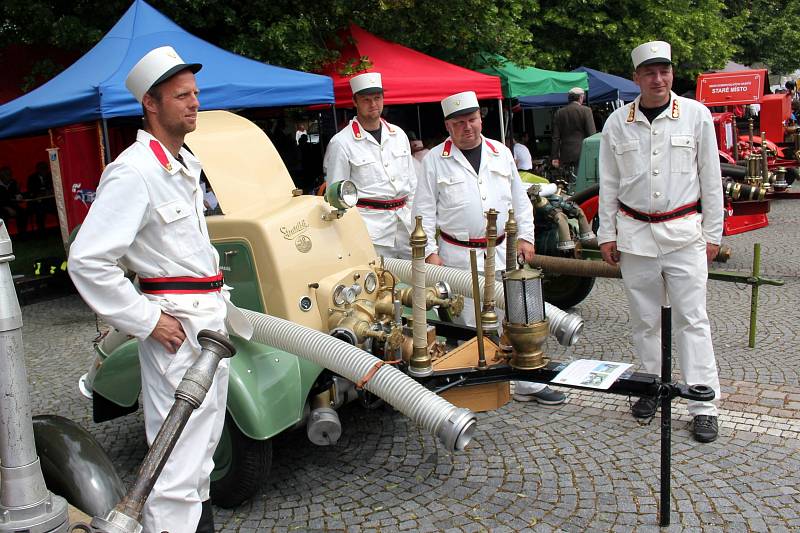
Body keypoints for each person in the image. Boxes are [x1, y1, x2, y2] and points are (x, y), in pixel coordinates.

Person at [68, 46, 252, 533]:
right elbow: (88, 261)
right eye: (181, 96)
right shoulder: (134, 170)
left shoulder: (181, 163)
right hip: (177, 329)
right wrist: (147, 320)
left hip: (207, 321)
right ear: (150, 103)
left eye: (195, 94)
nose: (194, 104)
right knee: (174, 465)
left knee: (202, 455)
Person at [597, 40, 723, 443]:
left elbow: (711, 180)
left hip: (685, 233)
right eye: (649, 72)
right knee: (644, 320)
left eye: (664, 71)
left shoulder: (696, 116)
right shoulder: (618, 122)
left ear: (672, 74)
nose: (658, 79)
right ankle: (650, 387)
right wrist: (606, 233)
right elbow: (609, 183)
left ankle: (703, 402)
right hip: (635, 236)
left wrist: (713, 234)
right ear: (636, 78)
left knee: (692, 320)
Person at [413, 91, 566, 405]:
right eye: (458, 123)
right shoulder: (434, 161)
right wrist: (430, 251)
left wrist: (526, 238)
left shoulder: (501, 153)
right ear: (448, 125)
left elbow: (520, 201)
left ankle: (527, 382)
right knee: (469, 322)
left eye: (471, 119)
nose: (467, 127)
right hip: (458, 254)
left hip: (502, 252)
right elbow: (424, 211)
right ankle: (476, 384)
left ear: (481, 118)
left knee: (515, 316)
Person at [323, 72, 416, 259]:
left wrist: (417, 221)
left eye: (377, 98)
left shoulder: (398, 135)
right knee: (380, 285)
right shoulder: (341, 143)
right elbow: (337, 197)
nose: (373, 104)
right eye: (366, 99)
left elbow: (413, 184)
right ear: (355, 102)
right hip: (371, 232)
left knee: (417, 282)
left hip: (406, 226)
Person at [551, 87, 596, 173]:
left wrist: (555, 157)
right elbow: (592, 135)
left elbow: (555, 137)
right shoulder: (586, 111)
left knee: (568, 180)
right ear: (581, 97)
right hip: (582, 153)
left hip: (565, 154)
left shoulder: (559, 112)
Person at [26, 161, 56, 233]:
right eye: (42, 169)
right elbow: (31, 192)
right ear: (37, 169)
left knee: (59, 208)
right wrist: (42, 193)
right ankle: (41, 231)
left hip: (50, 201)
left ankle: (60, 229)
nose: (44, 170)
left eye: (45, 168)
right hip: (36, 203)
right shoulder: (32, 178)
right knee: (40, 210)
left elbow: (54, 188)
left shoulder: (51, 176)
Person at [0, 166, 27, 235]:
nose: (9, 176)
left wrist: (19, 196)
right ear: (1, 176)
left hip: (12, 205)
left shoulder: (13, 182)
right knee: (3, 217)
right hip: (1, 207)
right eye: (7, 175)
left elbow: (16, 194)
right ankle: (5, 237)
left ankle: (22, 235)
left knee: (23, 212)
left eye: (10, 174)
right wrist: (7, 208)